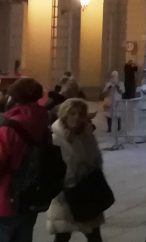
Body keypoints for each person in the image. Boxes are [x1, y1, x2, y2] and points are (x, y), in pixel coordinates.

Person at [0, 77, 51, 242]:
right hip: (29, 199)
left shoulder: (8, 128)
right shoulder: (43, 124)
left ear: (13, 98)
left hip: (4, 199)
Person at [47, 98, 105, 242]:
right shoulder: (55, 138)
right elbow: (51, 168)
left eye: (80, 114)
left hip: (87, 191)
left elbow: (96, 159)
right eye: (72, 113)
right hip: (65, 194)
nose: (77, 117)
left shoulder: (88, 135)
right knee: (63, 234)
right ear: (64, 115)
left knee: (94, 234)